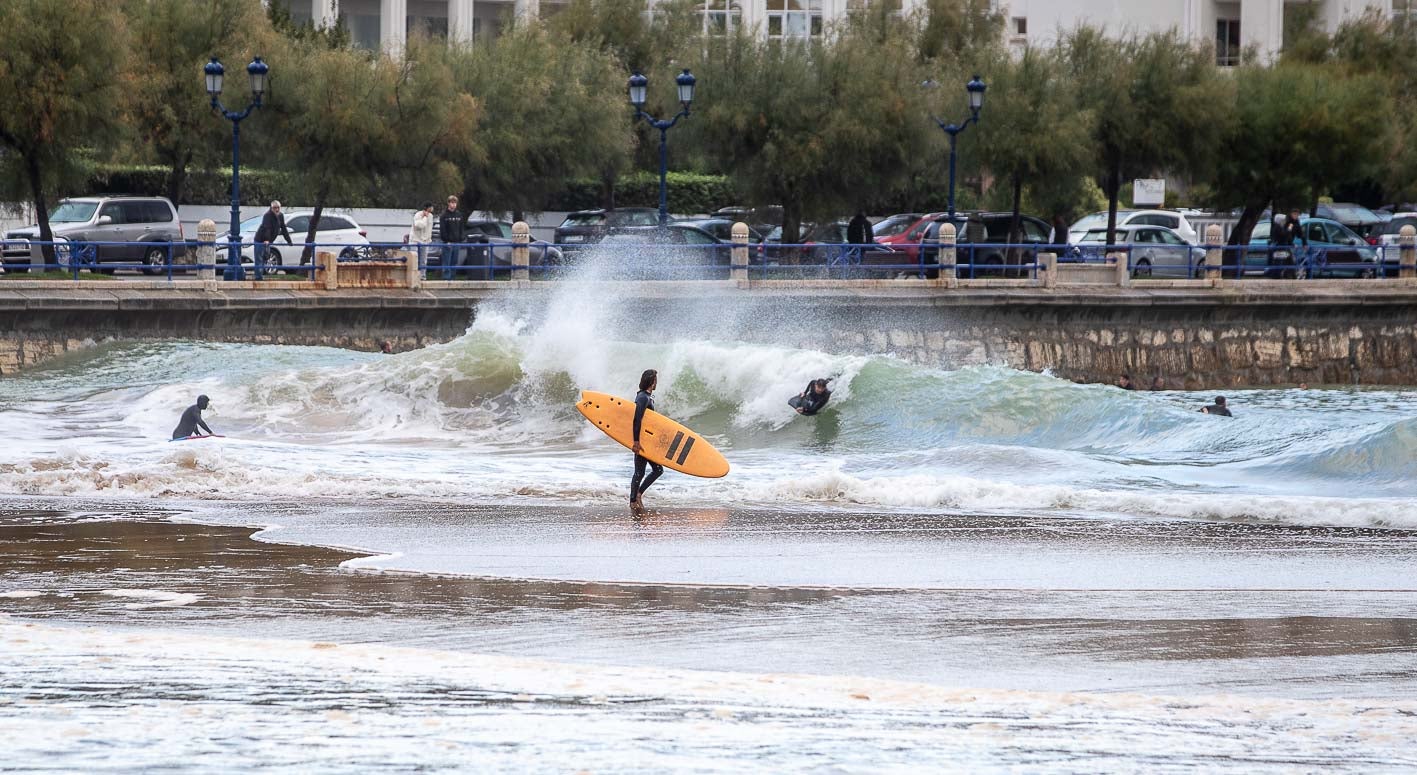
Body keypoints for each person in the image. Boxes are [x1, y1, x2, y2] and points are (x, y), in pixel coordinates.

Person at [630, 369, 664, 509]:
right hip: (642, 441)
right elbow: (637, 420)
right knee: (644, 471)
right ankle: (633, 500)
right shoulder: (643, 397)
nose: (657, 382)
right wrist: (636, 442)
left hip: (646, 440)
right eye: (655, 379)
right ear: (651, 381)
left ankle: (637, 496)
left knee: (653, 470)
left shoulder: (647, 397)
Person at [254, 200, 294, 271]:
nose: (277, 209)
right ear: (271, 208)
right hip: (260, 239)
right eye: (275, 208)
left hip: (269, 240)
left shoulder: (280, 216)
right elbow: (267, 228)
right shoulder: (267, 215)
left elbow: (284, 229)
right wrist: (266, 239)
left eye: (278, 207)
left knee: (265, 257)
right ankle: (258, 278)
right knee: (259, 259)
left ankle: (261, 276)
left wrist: (289, 241)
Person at [439, 195, 467, 278]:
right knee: (446, 262)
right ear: (448, 203)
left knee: (454, 262)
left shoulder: (459, 215)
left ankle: (453, 278)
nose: (453, 205)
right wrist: (446, 240)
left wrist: (461, 238)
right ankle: (446, 280)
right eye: (452, 202)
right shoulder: (444, 216)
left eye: (455, 203)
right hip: (447, 243)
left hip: (457, 243)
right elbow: (443, 230)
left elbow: (461, 228)